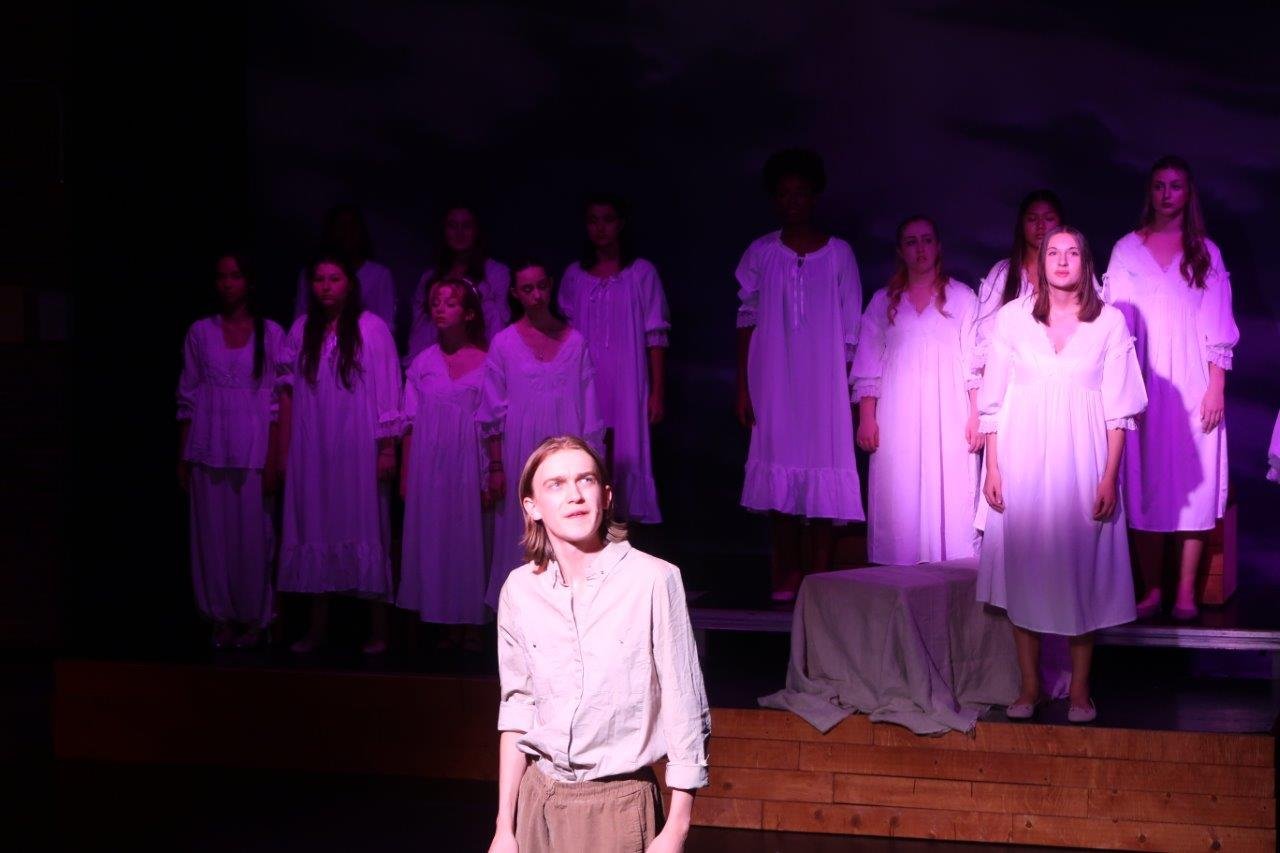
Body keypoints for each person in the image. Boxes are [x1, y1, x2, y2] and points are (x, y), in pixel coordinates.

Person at [489, 435, 710, 853]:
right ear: (531, 506)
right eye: (556, 484)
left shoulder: (653, 580)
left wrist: (676, 830)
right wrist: (505, 826)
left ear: (605, 495)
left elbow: (685, 708)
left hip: (617, 806)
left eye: (585, 480)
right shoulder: (519, 590)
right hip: (538, 802)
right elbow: (517, 711)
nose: (574, 495)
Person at [978, 227, 1147, 723]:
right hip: (1023, 458)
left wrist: (1108, 477)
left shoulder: (1109, 324)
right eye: (1053, 252)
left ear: (1086, 264)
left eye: (1072, 252)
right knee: (1025, 568)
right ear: (1040, 263)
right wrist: (993, 466)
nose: (1062, 260)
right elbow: (993, 400)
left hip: (1083, 461)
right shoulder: (1012, 320)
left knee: (1081, 570)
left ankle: (1079, 690)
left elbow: (1120, 411)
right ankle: (1029, 686)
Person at [1103, 156, 1240, 621]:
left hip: (1192, 382)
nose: (1167, 194)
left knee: (1191, 481)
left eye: (1176, 186)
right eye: (1159, 186)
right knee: (1142, 481)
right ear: (1151, 192)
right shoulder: (1126, 249)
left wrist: (1216, 385)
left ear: (1188, 193)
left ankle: (1185, 590)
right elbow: (1112, 318)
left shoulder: (1206, 253)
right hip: (1143, 379)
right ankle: (1153, 588)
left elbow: (1217, 322)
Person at [735, 149, 864, 600]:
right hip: (773, 381)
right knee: (781, 476)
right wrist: (743, 388)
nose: (793, 201)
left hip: (823, 382)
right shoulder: (761, 253)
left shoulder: (839, 255)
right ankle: (788, 571)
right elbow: (746, 320)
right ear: (775, 199)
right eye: (784, 194)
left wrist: (844, 393)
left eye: (801, 193)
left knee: (823, 468)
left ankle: (820, 576)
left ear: (815, 196)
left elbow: (852, 329)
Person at [277, 253, 402, 654]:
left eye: (334, 278)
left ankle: (378, 629)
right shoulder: (301, 330)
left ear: (349, 283)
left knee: (367, 524)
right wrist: (286, 449)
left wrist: (387, 448)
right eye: (319, 279)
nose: (326, 286)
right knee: (317, 524)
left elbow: (388, 389)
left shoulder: (372, 328)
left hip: (358, 446)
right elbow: (287, 393)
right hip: (314, 448)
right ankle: (317, 628)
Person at [851, 216, 982, 565]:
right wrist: (867, 416)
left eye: (926, 240)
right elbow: (868, 363)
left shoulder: (962, 298)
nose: (920, 249)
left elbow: (974, 363)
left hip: (948, 415)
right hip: (898, 415)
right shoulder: (883, 303)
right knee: (901, 490)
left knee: (951, 490)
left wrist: (975, 414)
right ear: (900, 251)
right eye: (911, 242)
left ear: (938, 247)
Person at [478, 260, 603, 609]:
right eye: (526, 288)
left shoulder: (575, 341)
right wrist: (497, 465)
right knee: (521, 530)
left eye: (541, 286)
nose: (535, 295)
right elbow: (492, 412)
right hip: (522, 450)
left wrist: (590, 462)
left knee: (565, 525)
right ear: (516, 294)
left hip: (565, 448)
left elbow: (590, 405)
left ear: (550, 286)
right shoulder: (503, 344)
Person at [176, 252, 284, 648]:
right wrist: (183, 455)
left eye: (235, 276)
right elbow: (187, 397)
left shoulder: (270, 333)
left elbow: (277, 402)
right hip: (209, 445)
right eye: (221, 277)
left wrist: (274, 456)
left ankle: (255, 617)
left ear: (249, 281)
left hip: (252, 448)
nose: (227, 284)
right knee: (213, 537)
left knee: (253, 537)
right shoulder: (200, 332)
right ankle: (220, 617)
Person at [559, 193, 669, 523]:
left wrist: (657, 392)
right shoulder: (575, 277)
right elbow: (565, 339)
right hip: (588, 382)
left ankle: (621, 545)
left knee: (626, 455)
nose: (600, 228)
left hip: (628, 382)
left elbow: (656, 335)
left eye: (607, 219)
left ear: (620, 224)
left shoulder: (640, 274)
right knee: (589, 454)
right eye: (593, 220)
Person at [398, 278, 491, 649]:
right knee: (436, 536)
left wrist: (491, 471)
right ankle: (442, 617)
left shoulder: (486, 364)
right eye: (435, 302)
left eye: (450, 303)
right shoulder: (423, 364)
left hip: (469, 462)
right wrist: (407, 473)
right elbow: (408, 421)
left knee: (468, 536)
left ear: (468, 313)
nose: (440, 308)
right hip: (430, 465)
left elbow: (493, 421)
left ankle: (470, 621)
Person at [407, 204, 511, 361]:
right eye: (453, 226)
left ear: (476, 231)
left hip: (483, 363)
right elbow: (418, 333)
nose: (459, 233)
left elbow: (501, 328)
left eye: (466, 226)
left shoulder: (497, 273)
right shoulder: (429, 279)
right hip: (436, 365)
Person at [292, 204, 397, 332]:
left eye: (351, 227)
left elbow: (386, 325)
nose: (346, 234)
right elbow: (300, 319)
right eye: (340, 227)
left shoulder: (380, 275)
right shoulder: (309, 273)